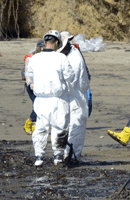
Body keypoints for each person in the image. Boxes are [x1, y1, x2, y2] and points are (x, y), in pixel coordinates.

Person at [26, 30, 75, 167]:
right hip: (58, 99)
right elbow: (70, 77)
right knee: (59, 127)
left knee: (40, 128)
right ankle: (58, 157)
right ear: (56, 42)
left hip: (40, 99)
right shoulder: (61, 58)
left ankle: (39, 157)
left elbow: (30, 77)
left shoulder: (35, 58)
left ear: (46, 42)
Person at [59, 31, 90, 163]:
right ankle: (68, 156)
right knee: (68, 129)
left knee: (75, 129)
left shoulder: (74, 59)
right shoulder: (70, 54)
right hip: (72, 97)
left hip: (77, 100)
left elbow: (70, 82)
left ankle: (73, 158)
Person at [23, 39, 45, 135]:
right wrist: (32, 84)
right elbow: (27, 74)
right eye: (43, 49)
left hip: (40, 86)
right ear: (39, 48)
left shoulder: (42, 57)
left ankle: (37, 124)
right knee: (37, 105)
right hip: (31, 86)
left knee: (39, 105)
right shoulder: (30, 58)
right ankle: (29, 123)